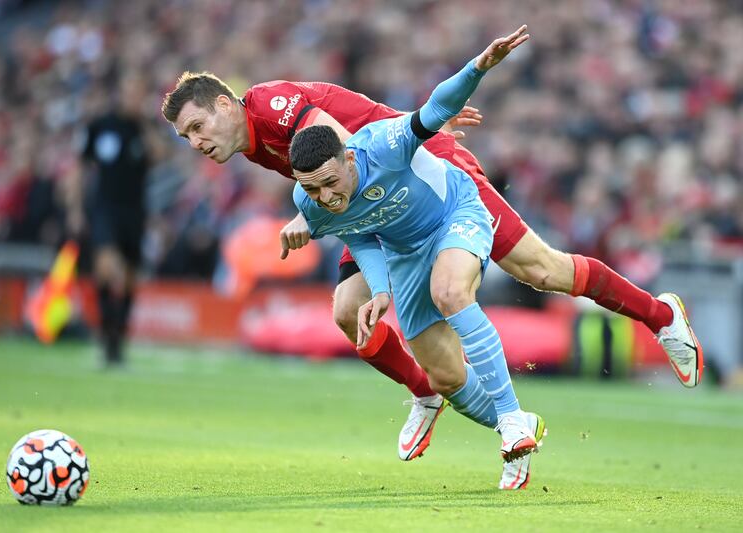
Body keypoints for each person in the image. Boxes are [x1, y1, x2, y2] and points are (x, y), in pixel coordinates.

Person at [160, 25, 702, 463]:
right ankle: (426, 392)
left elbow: (340, 147)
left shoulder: (272, 106)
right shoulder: (251, 145)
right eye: (187, 138)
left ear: (226, 106)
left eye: (198, 126)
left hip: (419, 175)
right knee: (349, 313)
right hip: (362, 204)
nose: (197, 143)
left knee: (542, 270)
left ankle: (661, 316)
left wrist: (422, 126)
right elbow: (338, 173)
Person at [291, 26, 543, 490]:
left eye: (329, 182)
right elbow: (361, 236)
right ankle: (520, 426)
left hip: (454, 213)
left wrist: (478, 67)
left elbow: (436, 109)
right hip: (403, 250)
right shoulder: (311, 200)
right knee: (445, 378)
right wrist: (382, 291)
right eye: (312, 189)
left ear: (348, 158)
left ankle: (511, 421)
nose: (325, 197)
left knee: (450, 290)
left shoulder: (383, 144)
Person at [70, 75, 151, 366]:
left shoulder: (145, 128)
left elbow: (160, 155)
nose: (134, 98)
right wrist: (76, 208)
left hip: (135, 210)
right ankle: (106, 336)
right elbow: (80, 166)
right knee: (106, 269)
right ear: (120, 93)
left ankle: (119, 339)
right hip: (104, 208)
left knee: (129, 278)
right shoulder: (100, 125)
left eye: (139, 93)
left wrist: (144, 126)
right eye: (130, 92)